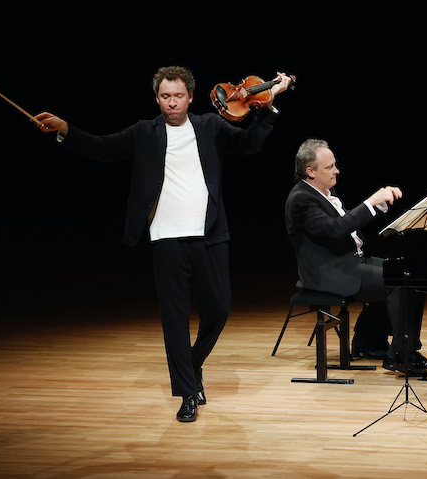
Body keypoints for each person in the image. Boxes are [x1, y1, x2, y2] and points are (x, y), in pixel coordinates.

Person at [34, 65, 293, 422]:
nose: (172, 102)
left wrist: (269, 106)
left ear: (190, 96)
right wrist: (66, 131)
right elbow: (102, 148)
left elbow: (250, 144)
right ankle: (187, 392)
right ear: (157, 98)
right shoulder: (144, 132)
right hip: (166, 238)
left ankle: (192, 364)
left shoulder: (211, 126)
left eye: (179, 95)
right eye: (165, 96)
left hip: (210, 234)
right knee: (174, 320)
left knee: (219, 310)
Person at [284, 139, 427, 376]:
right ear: (310, 171)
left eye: (335, 165)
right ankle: (402, 355)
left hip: (349, 260)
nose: (336, 170)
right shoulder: (301, 199)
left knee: (411, 272)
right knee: (398, 282)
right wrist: (370, 203)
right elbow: (334, 229)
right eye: (329, 167)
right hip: (328, 272)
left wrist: (377, 208)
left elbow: (343, 224)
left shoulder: (323, 193)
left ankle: (370, 342)